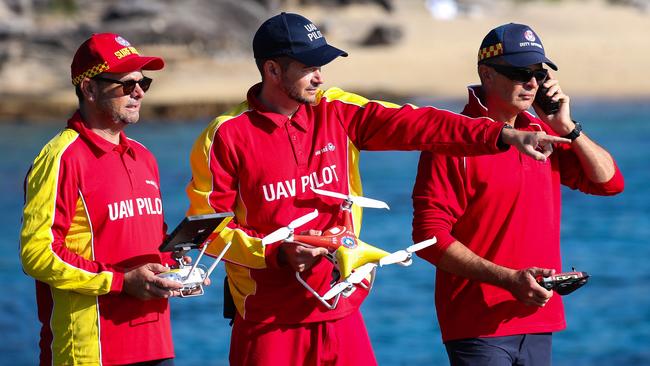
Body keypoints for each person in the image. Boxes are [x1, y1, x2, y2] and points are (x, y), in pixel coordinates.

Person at [186, 13, 568, 366]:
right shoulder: (226, 135)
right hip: (266, 319)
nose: (320, 78)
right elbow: (209, 232)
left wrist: (501, 135)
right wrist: (277, 254)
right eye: (309, 68)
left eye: (321, 67)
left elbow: (419, 125)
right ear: (272, 69)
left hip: (341, 309)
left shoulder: (337, 110)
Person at [412, 23, 625, 365]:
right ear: (487, 74)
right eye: (519, 73)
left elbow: (608, 183)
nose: (531, 84)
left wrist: (568, 128)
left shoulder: (543, 133)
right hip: (478, 324)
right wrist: (508, 280)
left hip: (538, 318)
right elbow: (428, 238)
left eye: (539, 74)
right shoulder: (452, 142)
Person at [20, 33, 184, 366]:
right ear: (89, 88)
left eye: (143, 83)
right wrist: (120, 282)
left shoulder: (144, 156)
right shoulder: (60, 157)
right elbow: (37, 254)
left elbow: (148, 242)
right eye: (126, 85)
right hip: (90, 351)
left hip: (155, 343)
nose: (138, 92)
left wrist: (177, 266)